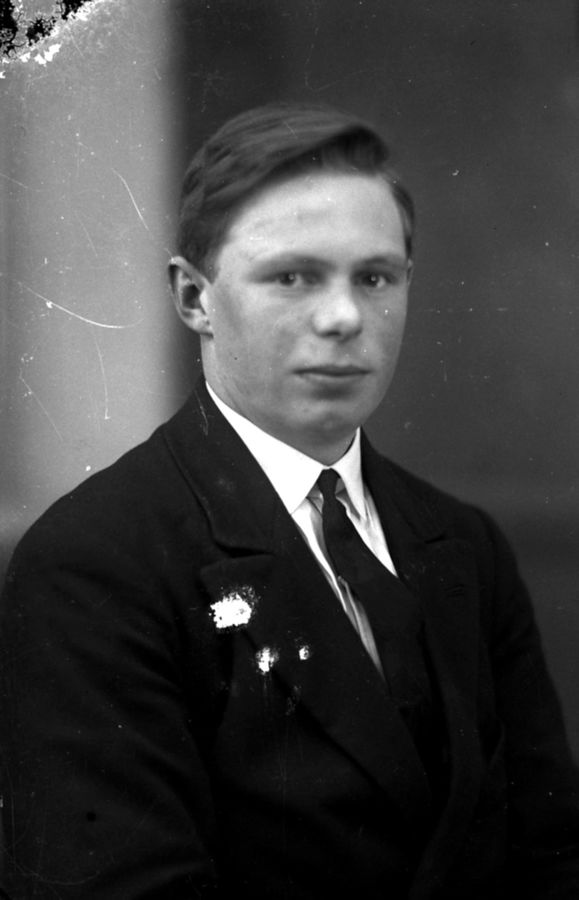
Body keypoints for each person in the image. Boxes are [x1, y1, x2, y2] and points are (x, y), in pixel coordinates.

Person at [1, 102, 579, 900]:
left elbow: (551, 860)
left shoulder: (463, 546)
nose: (343, 317)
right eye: (292, 276)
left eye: (374, 277)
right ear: (194, 298)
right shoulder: (96, 564)